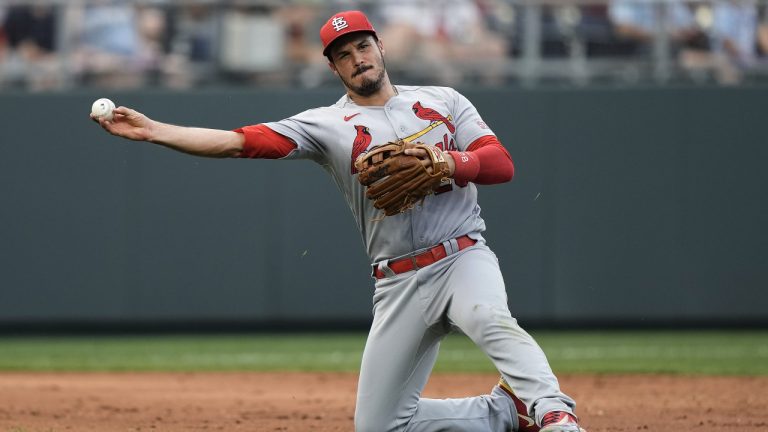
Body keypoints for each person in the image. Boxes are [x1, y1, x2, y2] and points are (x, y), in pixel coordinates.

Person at [92, 10, 585, 432]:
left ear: (380, 46)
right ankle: (503, 411)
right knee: (381, 425)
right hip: (398, 281)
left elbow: (501, 165)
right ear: (333, 65)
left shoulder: (445, 100)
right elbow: (237, 141)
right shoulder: (326, 125)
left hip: (461, 255)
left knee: (487, 316)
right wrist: (155, 130)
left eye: (363, 46)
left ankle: (552, 411)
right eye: (344, 53)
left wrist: (447, 162)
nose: (358, 58)